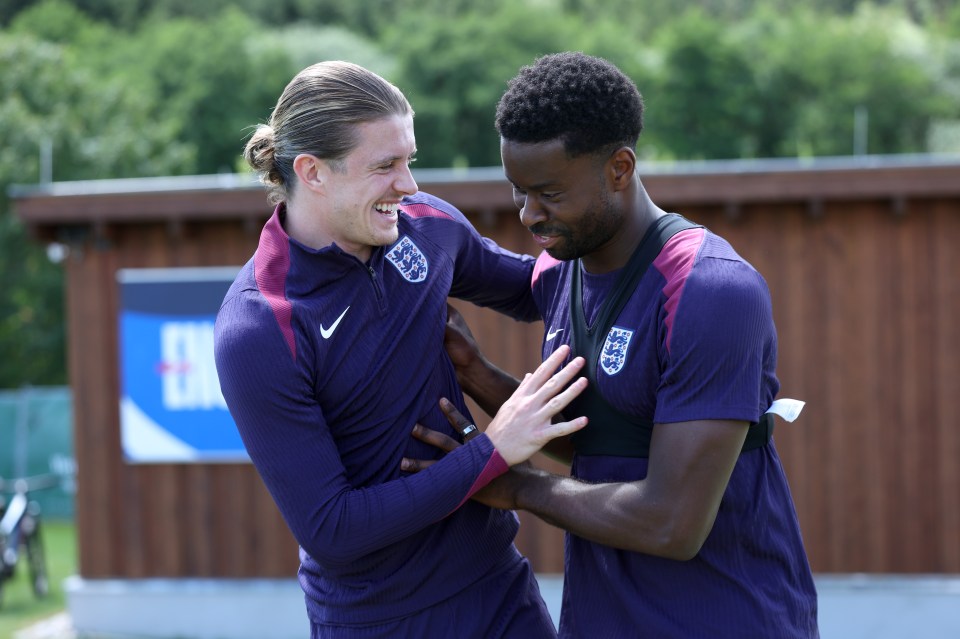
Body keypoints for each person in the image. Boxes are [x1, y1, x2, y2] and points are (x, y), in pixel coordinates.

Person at [406, 52, 819, 638]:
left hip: (726, 619)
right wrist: (475, 373)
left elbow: (671, 523)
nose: (529, 215)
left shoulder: (710, 290)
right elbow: (602, 451)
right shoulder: (558, 270)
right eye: (519, 191)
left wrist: (517, 486)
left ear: (619, 168)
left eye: (548, 192)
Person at [213, 60, 590, 639]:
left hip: (500, 591)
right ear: (313, 172)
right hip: (378, 621)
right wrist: (492, 450)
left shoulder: (425, 225)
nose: (409, 184)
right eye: (386, 166)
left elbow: (538, 287)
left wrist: (663, 253)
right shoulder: (261, 327)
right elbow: (333, 530)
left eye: (408, 160)